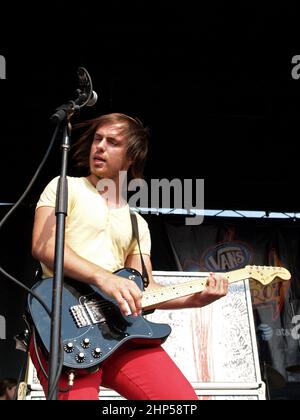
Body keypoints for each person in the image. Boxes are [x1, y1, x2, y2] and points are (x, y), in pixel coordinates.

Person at [29, 112, 228, 400]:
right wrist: (104, 277)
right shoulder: (65, 186)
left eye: (112, 142)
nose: (100, 147)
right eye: (98, 139)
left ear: (131, 156)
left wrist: (196, 299)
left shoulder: (138, 223)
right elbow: (44, 246)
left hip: (120, 331)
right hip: (65, 326)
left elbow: (144, 289)